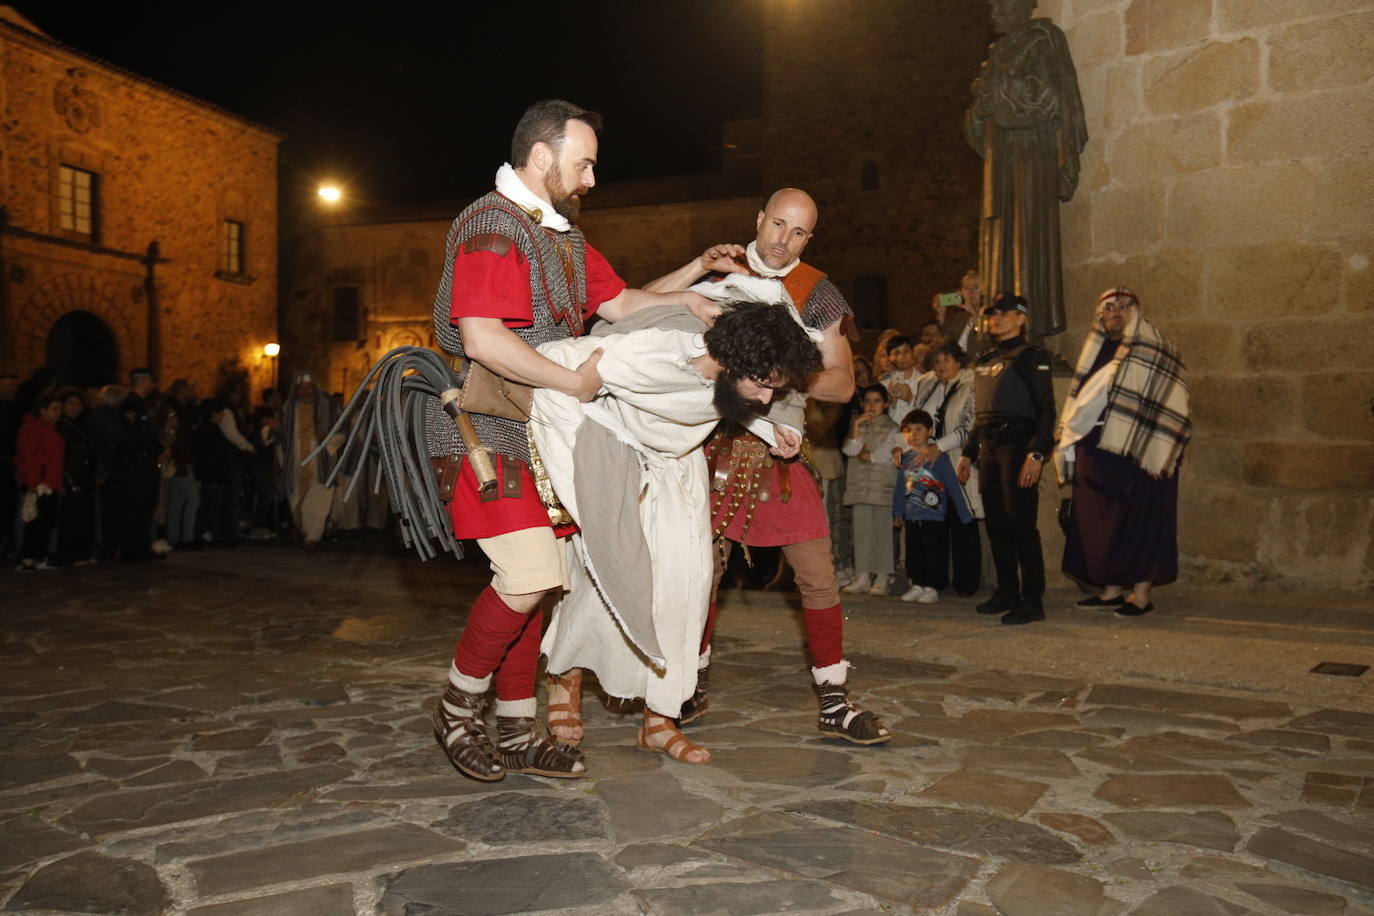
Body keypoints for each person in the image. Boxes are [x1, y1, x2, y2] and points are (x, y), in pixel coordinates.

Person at [427, 99, 720, 783]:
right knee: (530, 574)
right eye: (583, 163)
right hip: (487, 427)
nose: (590, 179)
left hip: (545, 430)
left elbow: (619, 303)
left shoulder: (560, 236)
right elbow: (482, 338)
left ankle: (517, 729)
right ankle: (457, 705)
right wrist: (573, 383)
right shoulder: (492, 225)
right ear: (541, 155)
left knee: (544, 580)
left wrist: (692, 302)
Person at [642, 187, 890, 746]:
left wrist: (776, 374)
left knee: (818, 575)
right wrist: (698, 268)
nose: (783, 240)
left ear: (809, 237)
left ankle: (833, 698)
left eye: (798, 231)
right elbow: (633, 306)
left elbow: (843, 382)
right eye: (777, 224)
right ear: (759, 218)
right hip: (709, 442)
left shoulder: (816, 291)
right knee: (698, 575)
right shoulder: (718, 271)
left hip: (780, 448)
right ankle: (690, 679)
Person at [535, 298, 820, 765]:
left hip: (679, 475)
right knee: (603, 580)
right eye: (763, 386)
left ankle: (660, 719)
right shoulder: (649, 354)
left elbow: (750, 401)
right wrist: (588, 466)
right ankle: (563, 683)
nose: (767, 397)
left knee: (685, 591)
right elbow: (555, 367)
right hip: (619, 466)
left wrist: (775, 429)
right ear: (730, 361)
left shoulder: (742, 380)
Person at [1055, 287, 1191, 617]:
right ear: (1099, 315)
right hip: (1095, 451)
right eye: (1109, 307)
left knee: (1141, 521)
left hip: (1138, 451)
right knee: (1099, 523)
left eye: (1124, 306)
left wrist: (1152, 444)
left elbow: (1171, 399)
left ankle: (1141, 595)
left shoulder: (1154, 348)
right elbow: (1081, 399)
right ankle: (1111, 590)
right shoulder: (1095, 349)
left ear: (1136, 311)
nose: (1116, 312)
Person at [966, 0, 1087, 338]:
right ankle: (996, 329)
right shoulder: (998, 50)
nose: (992, 13)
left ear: (1022, 7)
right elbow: (978, 124)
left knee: (1026, 238)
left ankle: (1028, 328)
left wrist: (999, 91)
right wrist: (980, 109)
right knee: (999, 239)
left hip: (1030, 158)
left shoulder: (1042, 39)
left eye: (1000, 5)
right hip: (999, 161)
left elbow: (1050, 97)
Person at [957, 293, 1056, 625]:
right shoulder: (986, 358)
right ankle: (1007, 591)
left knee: (1021, 526)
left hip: (1018, 445)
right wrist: (968, 453)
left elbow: (1046, 412)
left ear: (1021, 318)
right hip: (990, 447)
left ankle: (1033, 600)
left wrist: (1037, 454)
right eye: (993, 314)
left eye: (1004, 313)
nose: (996, 318)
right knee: (997, 525)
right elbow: (982, 413)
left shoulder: (1032, 356)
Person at [910, 342, 982, 595]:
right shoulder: (927, 384)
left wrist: (937, 447)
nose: (941, 366)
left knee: (962, 522)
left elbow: (969, 426)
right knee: (931, 524)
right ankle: (933, 580)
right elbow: (915, 419)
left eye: (947, 360)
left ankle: (966, 582)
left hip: (955, 459)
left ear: (958, 361)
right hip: (926, 463)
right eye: (937, 361)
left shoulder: (972, 384)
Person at [893, 409, 974, 603]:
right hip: (913, 516)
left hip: (935, 516)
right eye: (908, 430)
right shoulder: (905, 459)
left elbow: (953, 487)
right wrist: (898, 512)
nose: (913, 435)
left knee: (934, 552)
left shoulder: (939, 458)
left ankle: (932, 586)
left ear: (929, 431)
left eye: (919, 429)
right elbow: (899, 489)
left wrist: (964, 514)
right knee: (914, 552)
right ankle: (917, 584)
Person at [840, 384, 901, 596]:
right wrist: (856, 425)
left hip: (882, 486)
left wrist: (865, 453)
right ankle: (862, 574)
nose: (871, 405)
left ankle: (883, 575)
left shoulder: (893, 427)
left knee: (882, 532)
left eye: (876, 401)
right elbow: (850, 449)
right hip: (859, 486)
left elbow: (880, 456)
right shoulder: (860, 426)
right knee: (862, 530)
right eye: (867, 401)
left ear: (885, 404)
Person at [278, 372, 337, 550]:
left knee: (319, 501)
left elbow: (342, 431)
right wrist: (274, 429)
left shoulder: (328, 408)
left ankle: (314, 536)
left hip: (321, 461)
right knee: (297, 501)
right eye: (301, 389)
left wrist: (327, 437)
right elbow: (281, 437)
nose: (305, 392)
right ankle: (305, 533)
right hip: (295, 462)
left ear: (314, 388)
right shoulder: (287, 410)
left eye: (308, 388)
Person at [118, 369, 164, 561]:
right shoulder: (130, 405)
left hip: (148, 460)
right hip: (138, 461)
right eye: (151, 381)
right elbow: (136, 435)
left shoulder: (145, 404)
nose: (153, 385)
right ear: (143, 381)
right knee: (137, 504)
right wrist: (156, 447)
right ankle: (132, 548)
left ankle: (141, 545)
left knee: (147, 503)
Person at [15, 393, 64, 571]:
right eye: (54, 409)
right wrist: (34, 482)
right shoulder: (33, 428)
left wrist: (58, 484)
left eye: (59, 409)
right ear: (43, 410)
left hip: (51, 482)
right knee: (35, 519)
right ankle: (28, 556)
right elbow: (29, 456)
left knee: (47, 520)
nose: (58, 413)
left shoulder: (51, 429)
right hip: (40, 482)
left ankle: (39, 555)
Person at [54, 388, 98, 566]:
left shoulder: (83, 424)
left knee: (85, 514)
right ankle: (70, 553)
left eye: (78, 404)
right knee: (71, 514)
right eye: (71, 403)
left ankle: (83, 552)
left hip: (84, 473)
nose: (75, 407)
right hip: (71, 474)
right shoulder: (61, 427)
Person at [934, 270, 984, 354]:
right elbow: (947, 343)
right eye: (967, 288)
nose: (970, 292)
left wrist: (973, 313)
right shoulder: (961, 317)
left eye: (975, 287)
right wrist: (941, 315)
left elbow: (985, 342)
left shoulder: (989, 315)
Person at [880, 335, 919, 424]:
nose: (902, 356)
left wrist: (910, 399)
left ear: (913, 352)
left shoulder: (925, 381)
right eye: (897, 353)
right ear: (890, 357)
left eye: (906, 351)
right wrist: (892, 403)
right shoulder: (883, 385)